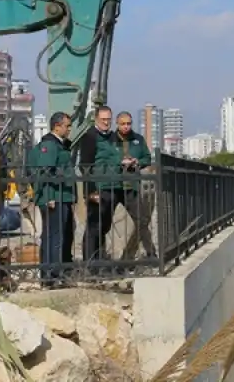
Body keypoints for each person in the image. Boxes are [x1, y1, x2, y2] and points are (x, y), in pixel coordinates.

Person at [89, 111, 157, 264]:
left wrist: (137, 162)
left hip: (130, 186)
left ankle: (150, 252)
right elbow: (103, 159)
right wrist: (120, 162)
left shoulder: (137, 140)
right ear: (117, 124)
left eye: (129, 123)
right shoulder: (109, 139)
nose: (126, 127)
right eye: (123, 124)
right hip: (112, 186)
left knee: (142, 219)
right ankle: (98, 256)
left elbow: (147, 157)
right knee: (104, 222)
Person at [30, 112, 75, 288]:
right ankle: (52, 276)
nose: (69, 129)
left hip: (61, 195)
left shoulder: (59, 145)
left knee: (55, 236)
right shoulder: (50, 144)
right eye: (67, 126)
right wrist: (48, 197)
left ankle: (51, 274)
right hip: (54, 197)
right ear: (57, 126)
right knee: (54, 237)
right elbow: (45, 171)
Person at [78, 106, 115, 263]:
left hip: (110, 187)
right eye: (103, 120)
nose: (106, 123)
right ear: (96, 120)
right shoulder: (89, 137)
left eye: (108, 119)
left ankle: (99, 258)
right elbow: (85, 165)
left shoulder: (112, 137)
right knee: (94, 226)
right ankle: (90, 261)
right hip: (96, 189)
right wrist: (91, 191)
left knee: (104, 226)